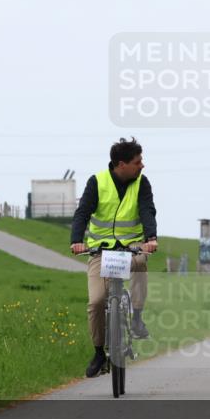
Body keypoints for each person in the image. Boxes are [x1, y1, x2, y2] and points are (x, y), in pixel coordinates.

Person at [70, 137, 158, 378]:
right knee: (97, 301)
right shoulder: (97, 182)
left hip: (132, 246)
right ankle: (99, 352)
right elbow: (82, 214)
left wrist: (151, 238)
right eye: (138, 161)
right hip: (101, 249)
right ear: (121, 164)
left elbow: (147, 210)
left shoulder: (142, 183)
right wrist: (76, 241)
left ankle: (137, 317)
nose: (142, 165)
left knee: (140, 263)